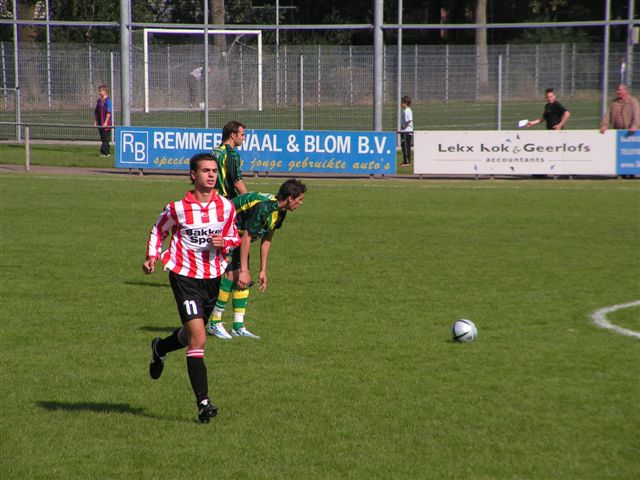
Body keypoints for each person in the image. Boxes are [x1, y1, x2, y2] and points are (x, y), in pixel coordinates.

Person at [143, 152, 240, 423]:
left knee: (189, 334)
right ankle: (203, 403)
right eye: (205, 171)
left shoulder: (226, 207)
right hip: (184, 275)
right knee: (199, 337)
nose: (211, 175)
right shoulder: (177, 208)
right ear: (193, 175)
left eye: (213, 171)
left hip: (213, 277)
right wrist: (152, 256)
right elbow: (158, 230)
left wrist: (226, 242)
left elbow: (234, 234)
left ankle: (160, 348)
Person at [206, 179, 307, 340]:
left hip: (237, 236)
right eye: (299, 199)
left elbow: (267, 240)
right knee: (233, 276)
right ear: (290, 198)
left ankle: (238, 326)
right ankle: (214, 322)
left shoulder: (280, 211)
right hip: (224, 231)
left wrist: (262, 270)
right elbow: (246, 238)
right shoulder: (265, 207)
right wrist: (245, 270)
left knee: (242, 278)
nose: (301, 203)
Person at [93, 85, 112, 157]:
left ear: (105, 91)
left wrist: (106, 122)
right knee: (103, 138)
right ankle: (107, 152)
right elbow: (96, 112)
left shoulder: (108, 101)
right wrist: (95, 121)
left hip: (106, 123)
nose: (99, 92)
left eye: (100, 91)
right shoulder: (99, 101)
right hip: (100, 122)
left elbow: (108, 113)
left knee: (105, 138)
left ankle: (103, 152)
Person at [399, 95, 413, 166]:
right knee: (404, 146)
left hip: (406, 132)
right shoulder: (405, 111)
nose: (401, 104)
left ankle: (407, 162)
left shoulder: (407, 111)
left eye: (402, 102)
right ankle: (405, 160)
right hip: (404, 131)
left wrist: (403, 127)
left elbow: (408, 121)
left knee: (406, 147)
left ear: (405, 103)